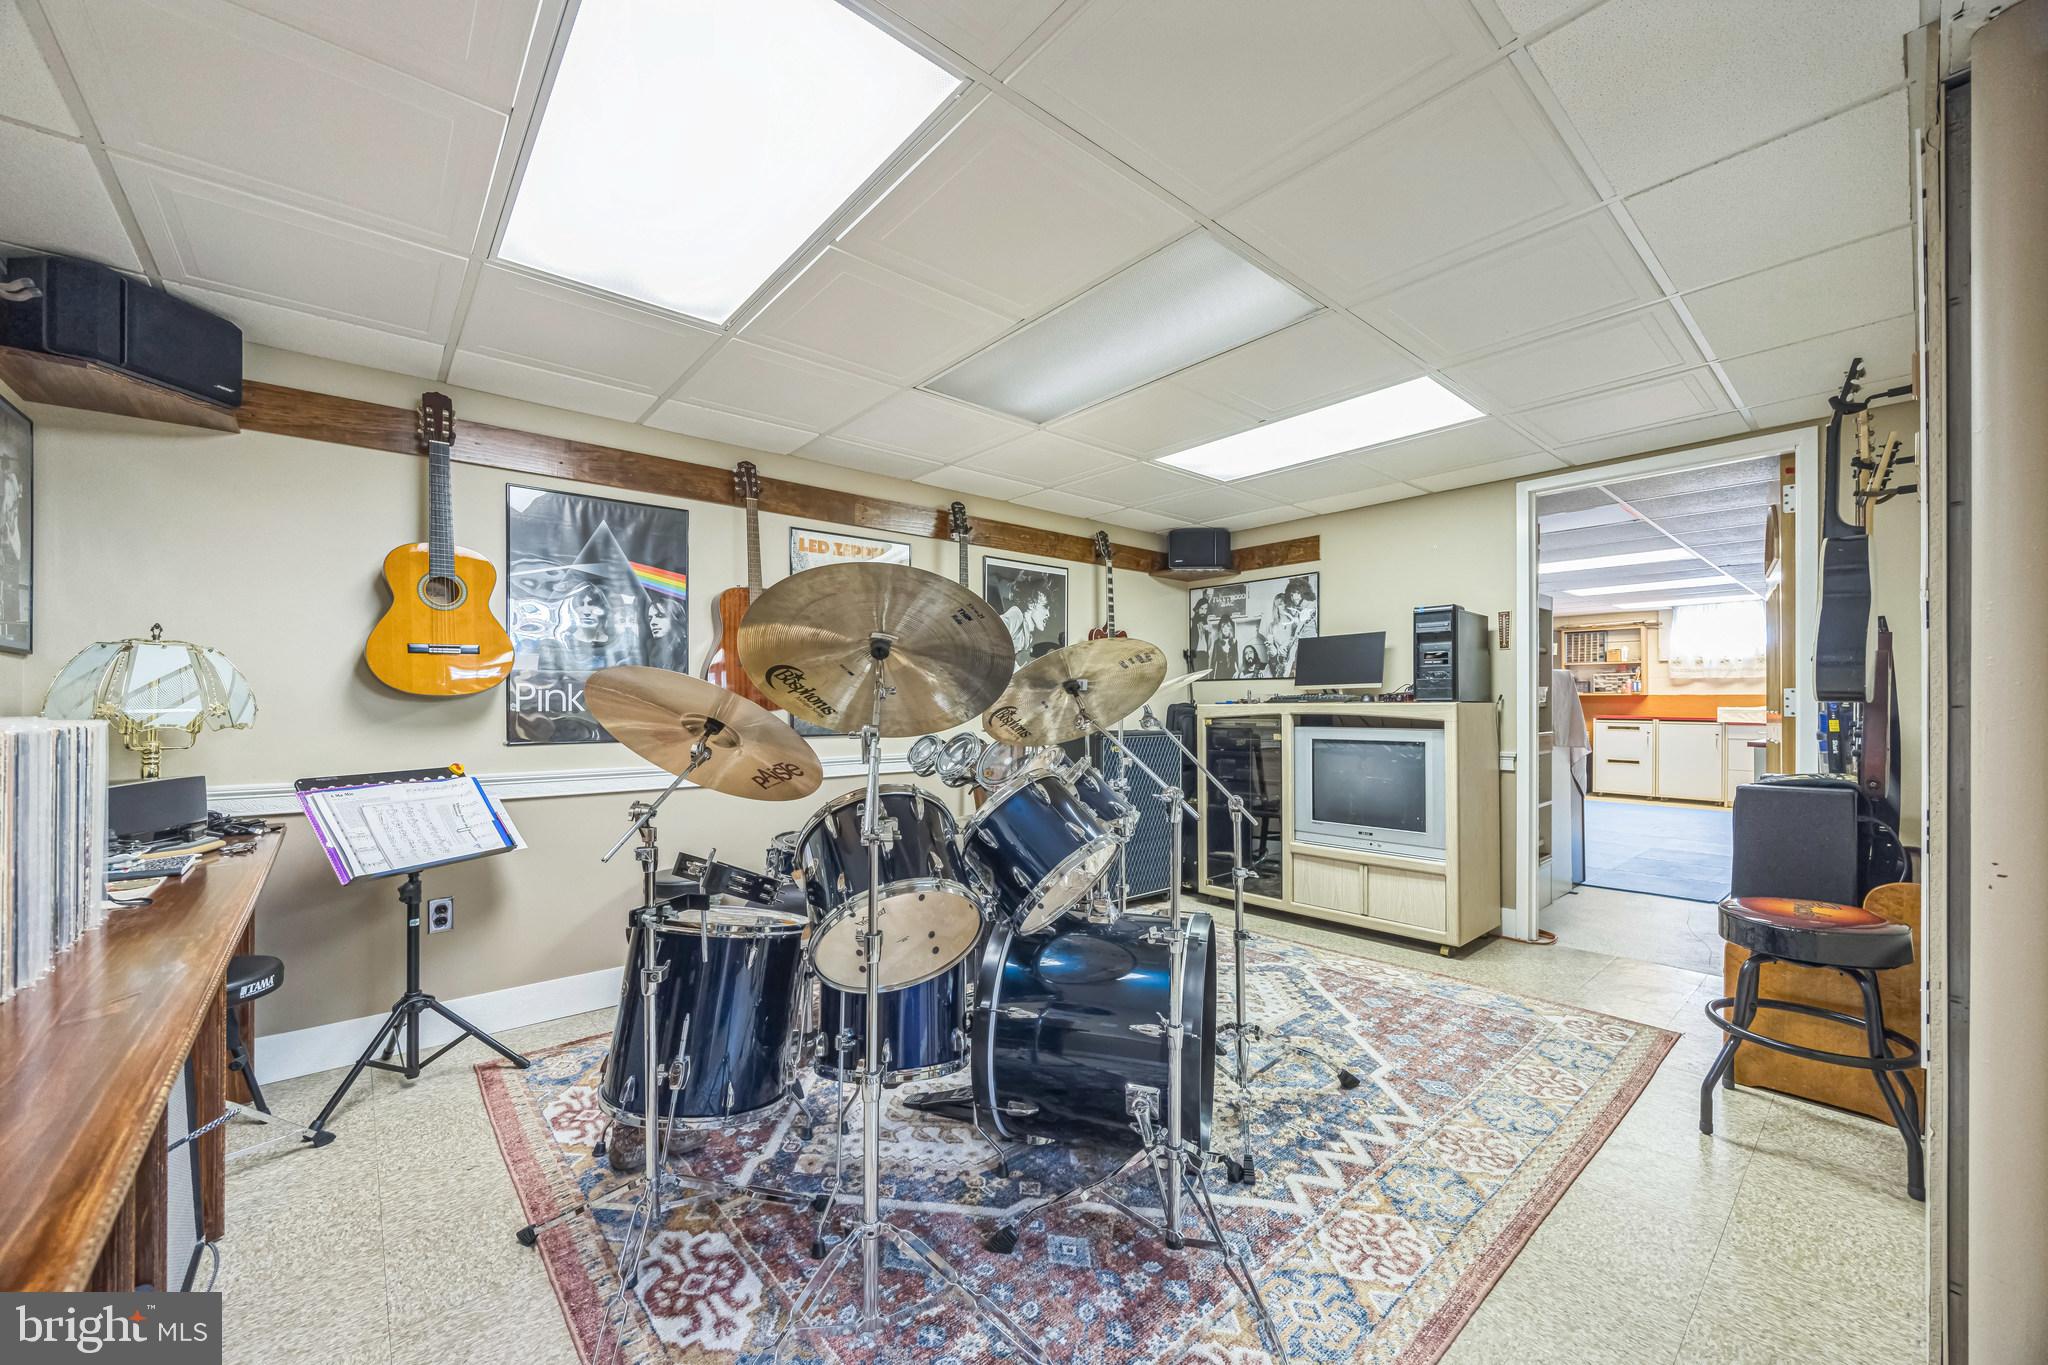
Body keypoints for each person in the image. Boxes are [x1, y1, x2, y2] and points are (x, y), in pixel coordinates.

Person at [1259, 576, 1319, 677]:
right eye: (1278, 604)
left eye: (1283, 603)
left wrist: (1287, 646)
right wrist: (1274, 651)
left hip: (1297, 662)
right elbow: (1271, 652)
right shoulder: (1272, 626)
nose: (1282, 606)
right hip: (1279, 665)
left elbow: (1300, 641)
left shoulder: (1297, 620)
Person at [1001, 576, 1051, 664]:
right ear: (1031, 604)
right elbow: (992, 636)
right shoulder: (1016, 615)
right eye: (1045, 606)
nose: (1048, 614)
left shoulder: (1029, 637)